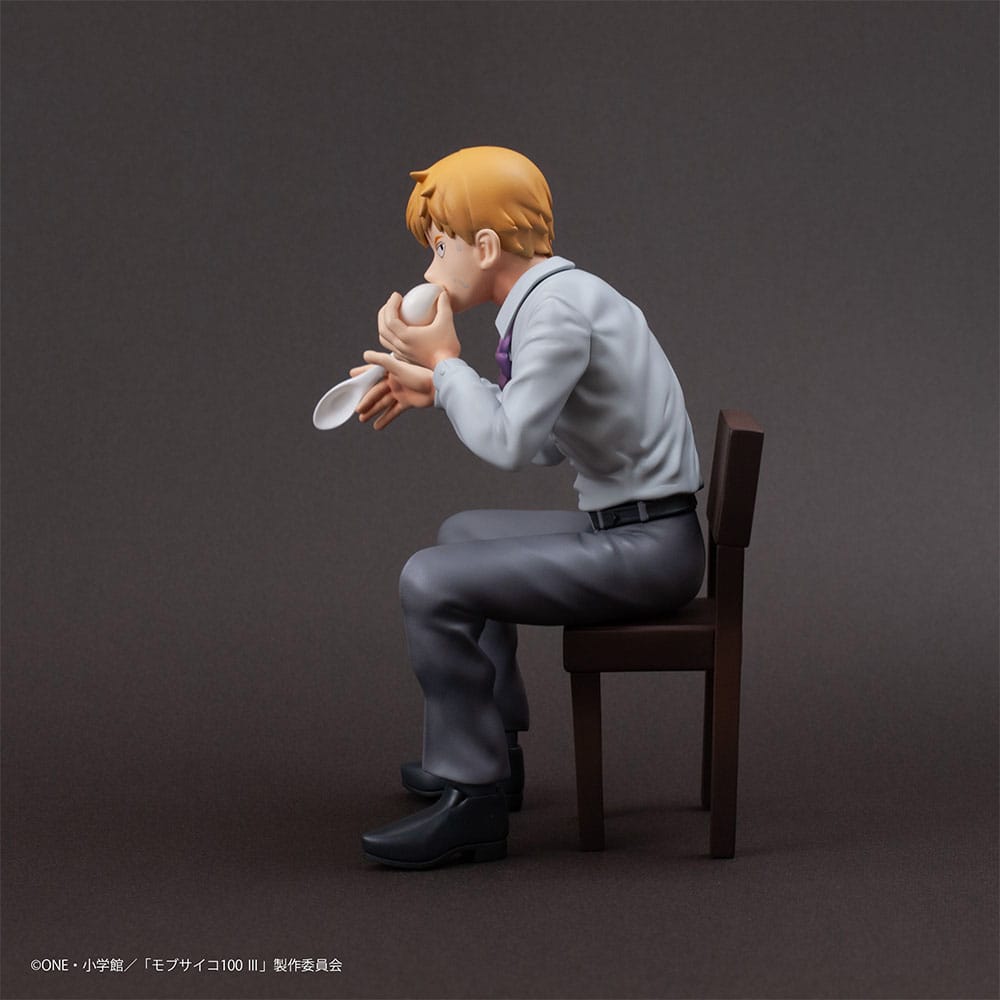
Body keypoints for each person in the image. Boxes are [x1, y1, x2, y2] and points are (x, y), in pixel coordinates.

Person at [354, 146, 704, 869]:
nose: (431, 270)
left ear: (485, 247)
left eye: (440, 248)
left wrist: (446, 365)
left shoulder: (556, 312)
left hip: (649, 551)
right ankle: (490, 747)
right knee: (461, 536)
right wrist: (441, 389)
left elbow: (512, 445)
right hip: (636, 530)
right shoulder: (557, 298)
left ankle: (473, 797)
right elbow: (547, 440)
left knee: (429, 578)